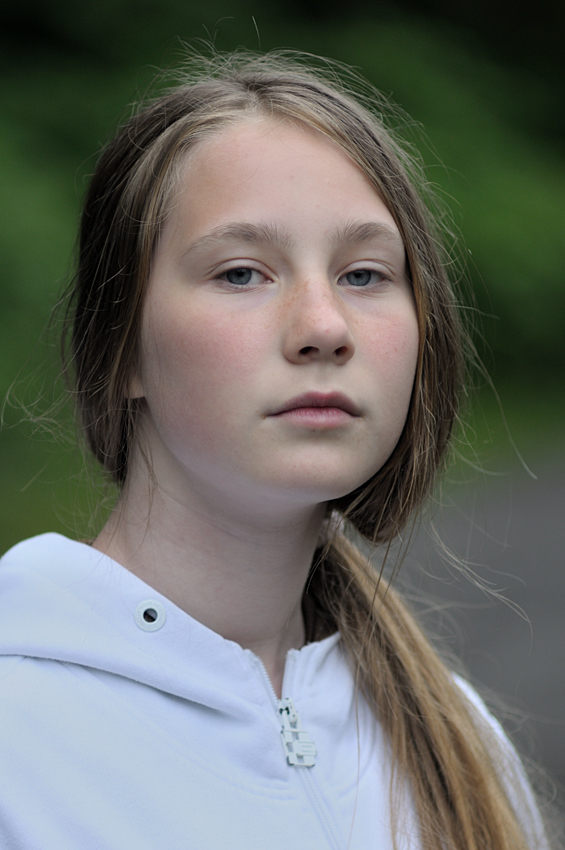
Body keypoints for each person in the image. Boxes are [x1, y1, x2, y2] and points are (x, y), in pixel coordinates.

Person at [0, 51, 551, 849]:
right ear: (119, 346)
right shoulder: (19, 735)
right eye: (241, 273)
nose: (324, 326)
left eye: (363, 275)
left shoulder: (462, 752)